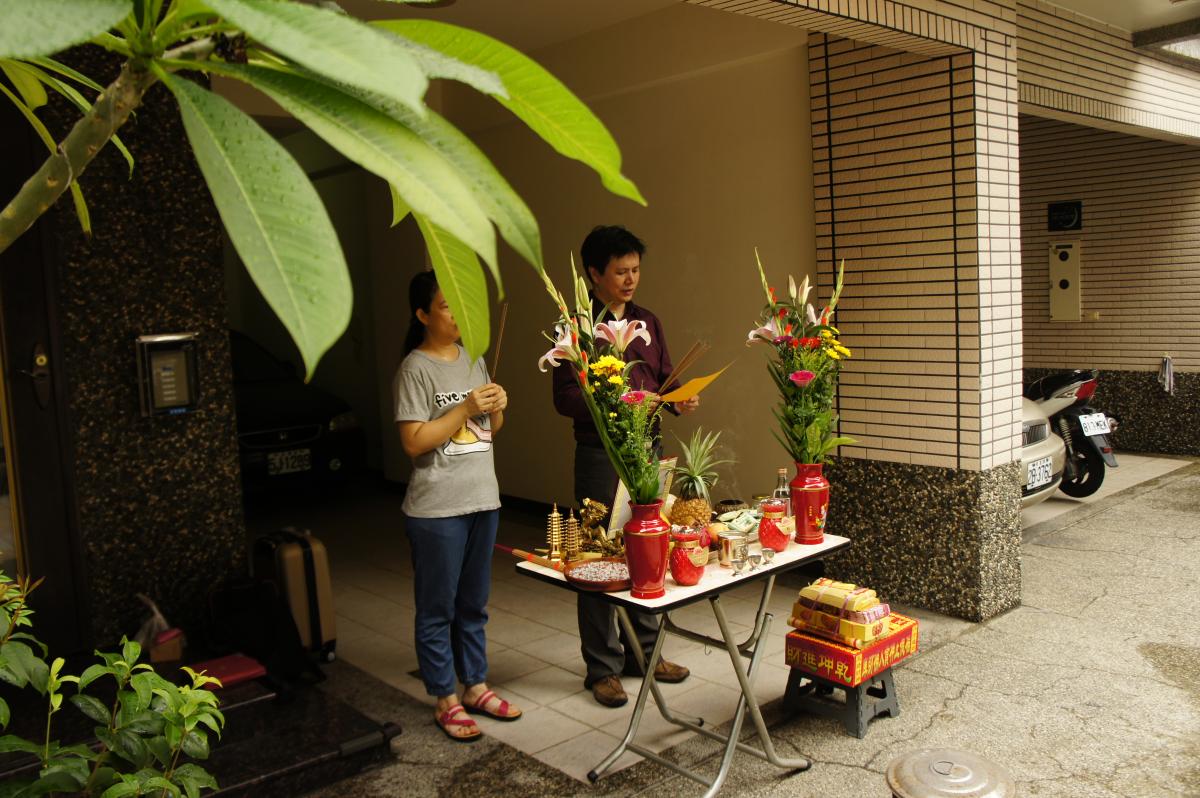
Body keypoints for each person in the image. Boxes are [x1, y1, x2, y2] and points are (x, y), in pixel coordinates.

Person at [552, 225, 701, 707]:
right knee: (598, 558)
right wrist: (617, 400)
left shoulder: (648, 321)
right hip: (599, 454)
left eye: (636, 270)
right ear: (594, 273)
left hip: (647, 450)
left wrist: (679, 400)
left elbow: (665, 379)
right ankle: (602, 667)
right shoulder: (575, 327)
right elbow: (565, 397)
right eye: (621, 271)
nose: (631, 279)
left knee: (648, 548)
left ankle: (647, 654)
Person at [394, 270, 522, 742]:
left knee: (473, 603)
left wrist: (497, 404)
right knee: (437, 608)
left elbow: (490, 429)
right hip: (436, 508)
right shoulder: (415, 369)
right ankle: (444, 697)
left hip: (482, 498)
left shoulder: (475, 358)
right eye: (447, 306)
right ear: (423, 314)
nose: (458, 315)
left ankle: (476, 686)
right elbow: (413, 441)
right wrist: (464, 409)